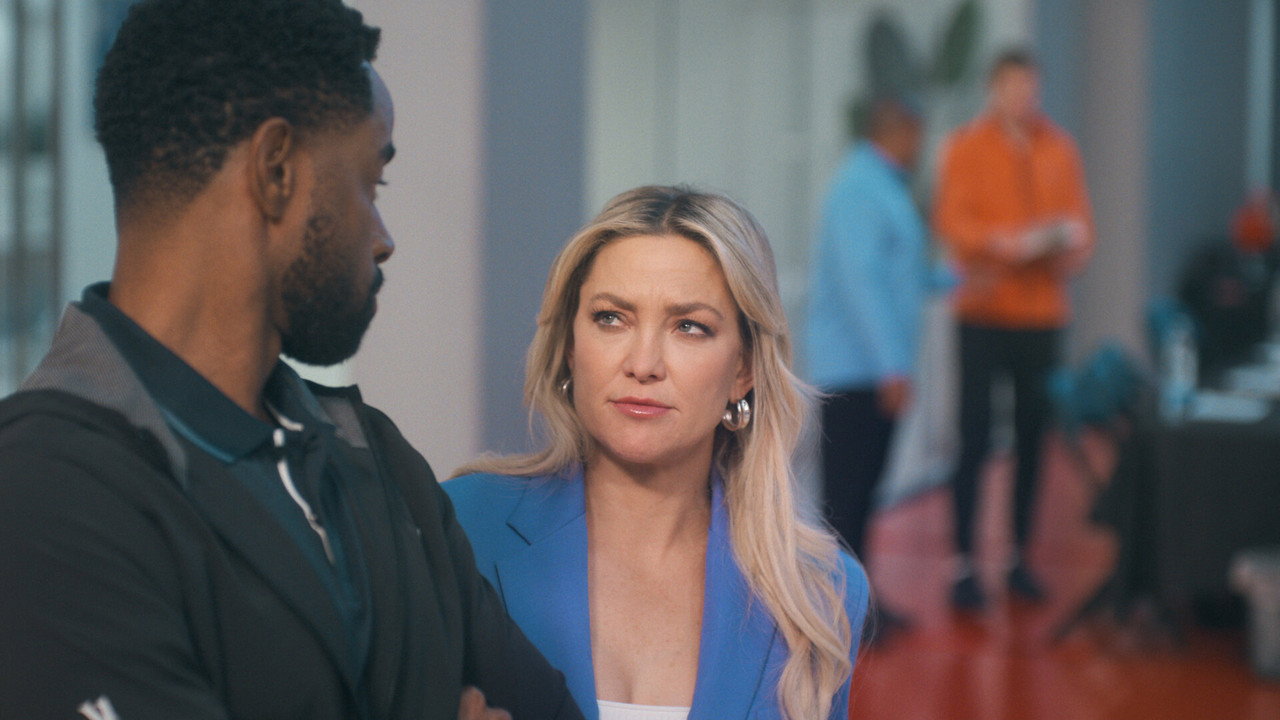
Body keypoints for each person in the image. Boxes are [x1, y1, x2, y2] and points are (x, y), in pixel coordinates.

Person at [0, 2, 582, 719]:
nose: (383, 237)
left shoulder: (378, 463)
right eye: (370, 185)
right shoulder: (43, 487)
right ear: (275, 170)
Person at [444, 186, 869, 720]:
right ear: (571, 347)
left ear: (743, 370)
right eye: (611, 318)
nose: (643, 364)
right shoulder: (458, 527)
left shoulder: (821, 592)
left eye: (689, 327)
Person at [934, 48, 1094, 611]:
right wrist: (1003, 244)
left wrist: (1060, 245)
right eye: (1012, 87)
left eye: (1030, 88)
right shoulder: (966, 147)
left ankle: (1017, 556)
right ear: (994, 89)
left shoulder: (1059, 147)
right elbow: (953, 223)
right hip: (982, 313)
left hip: (1041, 316)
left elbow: (1080, 228)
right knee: (974, 435)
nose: (1023, 98)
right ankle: (962, 562)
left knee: (1032, 436)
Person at [805, 96, 931, 641]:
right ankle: (836, 613)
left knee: (862, 495)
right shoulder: (859, 189)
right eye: (917, 135)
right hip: (855, 372)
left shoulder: (883, 185)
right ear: (896, 132)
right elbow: (862, 286)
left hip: (870, 371)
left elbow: (898, 270)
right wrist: (892, 368)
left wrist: (952, 279)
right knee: (846, 497)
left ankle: (857, 603)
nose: (921, 147)